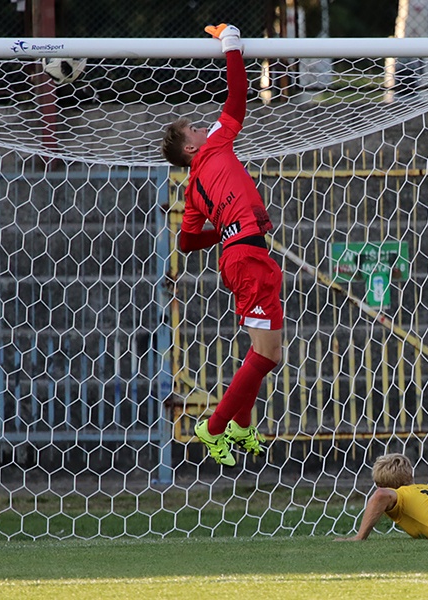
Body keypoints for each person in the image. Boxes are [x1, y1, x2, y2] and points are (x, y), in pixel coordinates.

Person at [160, 24, 283, 468]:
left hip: (242, 253)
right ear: (192, 145)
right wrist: (231, 42)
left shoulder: (193, 190)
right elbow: (237, 97)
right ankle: (213, 428)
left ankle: (242, 426)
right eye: (193, 126)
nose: (200, 124)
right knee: (268, 353)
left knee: (263, 350)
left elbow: (188, 241)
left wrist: (228, 228)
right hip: (246, 256)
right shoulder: (212, 146)